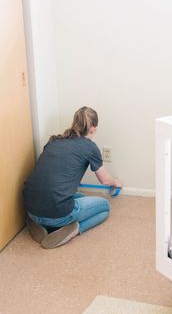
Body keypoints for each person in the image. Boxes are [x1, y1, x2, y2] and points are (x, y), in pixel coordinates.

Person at [23, 106, 123, 249]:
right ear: (93, 129)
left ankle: (38, 224)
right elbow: (105, 180)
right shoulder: (90, 147)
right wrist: (117, 182)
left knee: (79, 196)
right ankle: (72, 229)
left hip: (30, 207)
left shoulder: (54, 140)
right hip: (57, 212)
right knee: (105, 207)